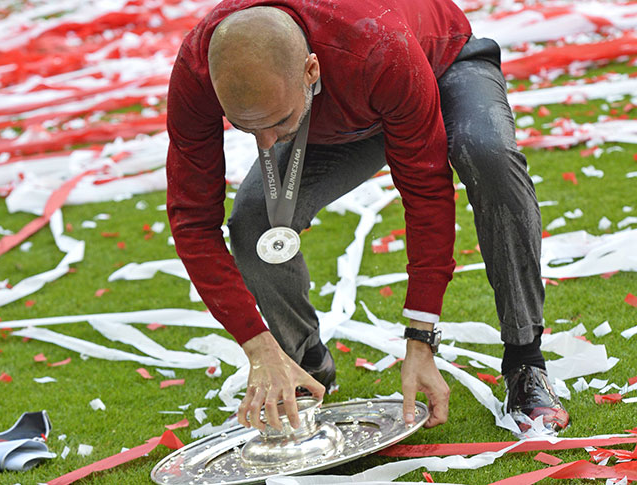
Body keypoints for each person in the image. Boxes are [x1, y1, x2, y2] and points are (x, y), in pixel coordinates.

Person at [166, 0, 569, 434]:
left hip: (438, 65)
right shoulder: (198, 69)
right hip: (338, 105)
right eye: (246, 128)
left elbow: (426, 191)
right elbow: (191, 219)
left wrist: (420, 339)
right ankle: (303, 366)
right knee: (254, 220)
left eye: (276, 122)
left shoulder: (377, 46)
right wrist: (258, 346)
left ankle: (526, 360)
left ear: (310, 69)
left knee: (488, 155)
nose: (265, 144)